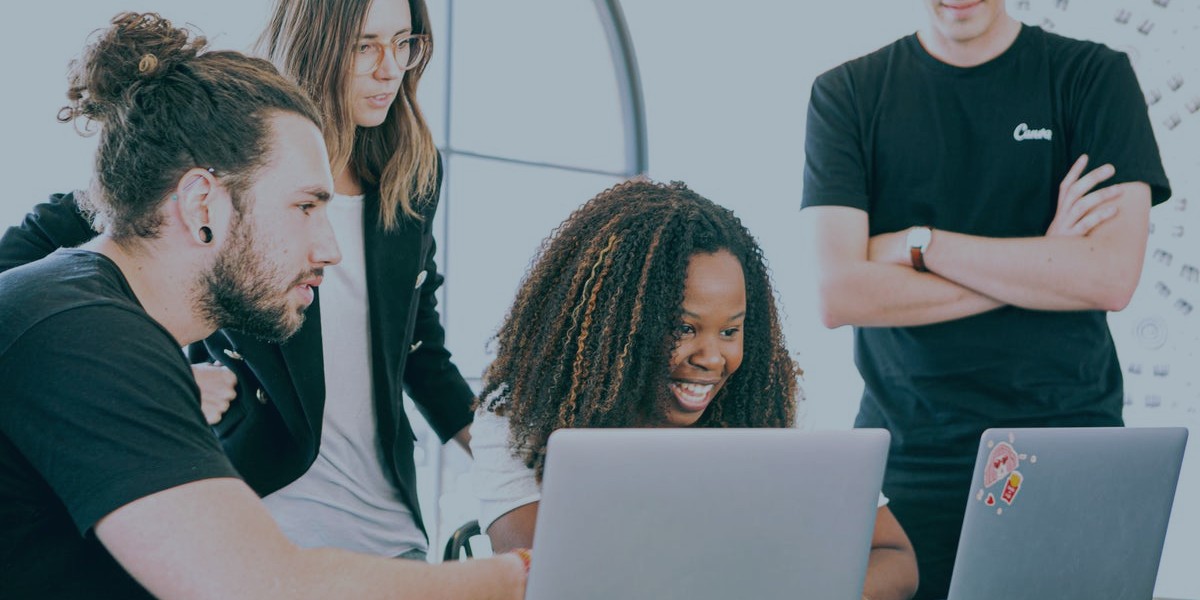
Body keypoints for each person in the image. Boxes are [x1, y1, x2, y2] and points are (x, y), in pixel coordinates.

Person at [0, 12, 525, 599]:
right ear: (201, 204)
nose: (331, 250)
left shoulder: (93, 320)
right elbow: (262, 585)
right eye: (305, 207)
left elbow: (420, 351)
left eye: (404, 44)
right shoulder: (80, 331)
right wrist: (522, 575)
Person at [798, 2, 1172, 598]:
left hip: (1067, 447)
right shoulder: (846, 93)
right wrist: (1043, 263)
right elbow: (839, 293)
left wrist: (920, 244)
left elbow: (1108, 277)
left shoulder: (1092, 77)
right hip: (907, 462)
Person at [471, 180, 920, 600]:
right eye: (684, 328)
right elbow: (552, 584)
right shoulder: (521, 415)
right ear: (617, 326)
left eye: (730, 331)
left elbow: (896, 559)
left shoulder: (771, 404)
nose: (711, 358)